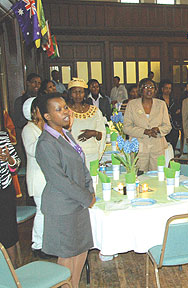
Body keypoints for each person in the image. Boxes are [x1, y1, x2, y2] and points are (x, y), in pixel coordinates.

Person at [36, 92, 96, 288]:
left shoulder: (66, 134)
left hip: (78, 202)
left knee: (81, 250)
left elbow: (81, 165)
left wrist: (90, 188)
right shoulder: (46, 143)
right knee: (67, 255)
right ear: (47, 116)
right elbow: (59, 180)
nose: (65, 112)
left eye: (65, 107)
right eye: (59, 109)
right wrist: (86, 197)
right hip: (62, 205)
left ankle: (75, 285)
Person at [21, 97, 53, 259]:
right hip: (38, 179)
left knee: (48, 211)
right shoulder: (29, 129)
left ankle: (47, 242)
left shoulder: (43, 127)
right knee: (42, 212)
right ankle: (37, 245)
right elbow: (34, 151)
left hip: (48, 177)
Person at [123, 78, 171, 172]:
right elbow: (126, 127)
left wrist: (158, 129)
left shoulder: (161, 104)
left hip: (157, 147)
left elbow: (167, 127)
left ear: (155, 90)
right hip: (139, 148)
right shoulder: (132, 104)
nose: (149, 90)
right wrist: (144, 131)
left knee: (157, 177)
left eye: (151, 87)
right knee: (139, 177)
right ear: (140, 89)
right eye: (146, 87)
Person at [67, 78, 106, 167]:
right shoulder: (65, 111)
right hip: (73, 155)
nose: (78, 95)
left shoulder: (95, 111)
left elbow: (102, 134)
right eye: (74, 92)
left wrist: (93, 133)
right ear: (70, 94)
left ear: (85, 93)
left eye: (80, 92)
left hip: (92, 153)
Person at [0, 130, 20, 267]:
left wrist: (9, 159)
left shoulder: (2, 137)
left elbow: (16, 165)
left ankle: (13, 274)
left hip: (4, 192)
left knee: (8, 235)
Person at [158, 80, 181, 150]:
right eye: (166, 88)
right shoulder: (158, 100)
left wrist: (172, 115)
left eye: (170, 88)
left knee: (172, 146)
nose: (168, 90)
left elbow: (178, 111)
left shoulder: (174, 99)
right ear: (162, 89)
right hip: (162, 126)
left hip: (174, 126)